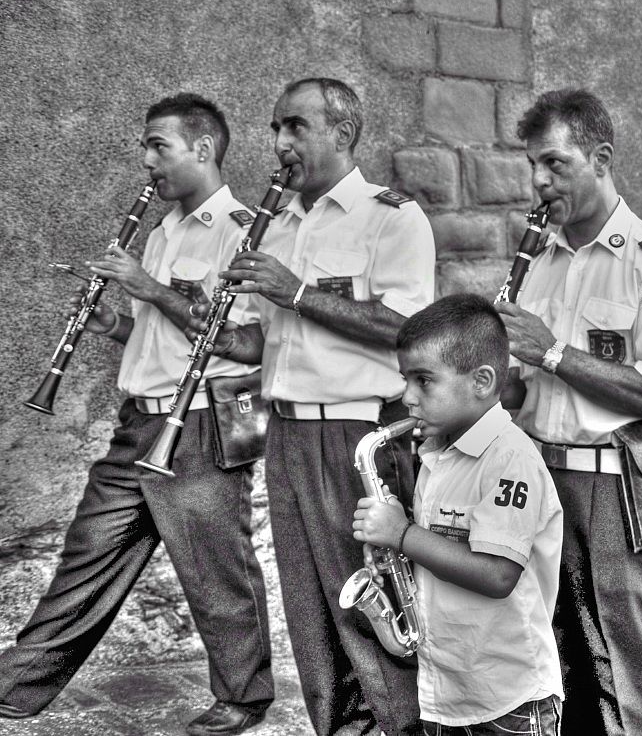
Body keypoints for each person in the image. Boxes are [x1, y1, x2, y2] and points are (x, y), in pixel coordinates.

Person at [0, 93, 274, 736]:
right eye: (145, 147)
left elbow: (245, 341)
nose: (147, 160)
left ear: (202, 149)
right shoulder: (163, 231)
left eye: (160, 146)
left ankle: (244, 697)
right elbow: (162, 337)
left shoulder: (243, 229)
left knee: (215, 568)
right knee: (87, 553)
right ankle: (16, 687)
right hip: (141, 423)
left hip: (203, 420)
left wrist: (147, 287)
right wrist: (115, 321)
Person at [209, 77, 436, 736]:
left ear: (341, 133)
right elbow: (263, 338)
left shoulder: (392, 217)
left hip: (356, 431)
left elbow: (408, 327)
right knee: (307, 602)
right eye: (277, 127)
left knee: (370, 597)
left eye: (295, 127)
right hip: (285, 433)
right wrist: (217, 330)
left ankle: (403, 725)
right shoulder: (275, 224)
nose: (280, 143)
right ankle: (339, 726)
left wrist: (299, 290)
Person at [494, 88, 642, 735]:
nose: (539, 182)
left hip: (614, 483)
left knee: (625, 660)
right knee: (557, 652)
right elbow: (523, 392)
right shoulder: (537, 261)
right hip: (540, 474)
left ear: (601, 157)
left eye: (554, 164)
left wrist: (552, 351)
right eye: (532, 166)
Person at [352, 293, 564, 735]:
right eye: (405, 379)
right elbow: (442, 550)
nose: (407, 397)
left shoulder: (510, 460)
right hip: (447, 689)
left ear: (482, 381)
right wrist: (394, 553)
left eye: (423, 381)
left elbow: (496, 575)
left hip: (508, 698)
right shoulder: (437, 454)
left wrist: (403, 534)